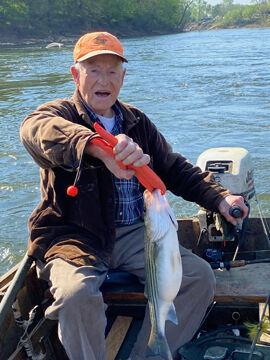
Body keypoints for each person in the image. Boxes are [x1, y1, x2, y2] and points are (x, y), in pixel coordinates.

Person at [20, 31, 248, 360]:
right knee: (75, 296)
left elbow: (176, 169)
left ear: (123, 77)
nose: (104, 80)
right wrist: (98, 149)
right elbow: (33, 130)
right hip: (73, 235)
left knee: (199, 278)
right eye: (93, 70)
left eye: (112, 71)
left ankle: (150, 353)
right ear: (76, 74)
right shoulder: (58, 114)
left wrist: (221, 199)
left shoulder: (137, 121)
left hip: (135, 232)